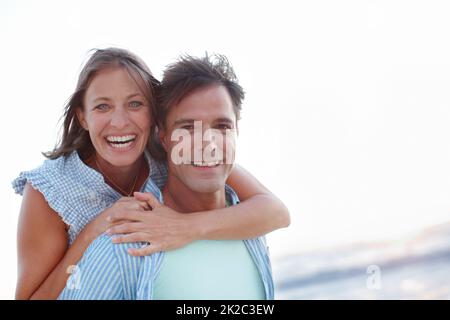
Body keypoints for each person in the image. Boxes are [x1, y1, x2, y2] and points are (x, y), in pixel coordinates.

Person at [12, 48, 289, 299]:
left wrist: (185, 228)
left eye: (135, 104)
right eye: (102, 106)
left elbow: (275, 212)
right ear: (83, 116)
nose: (120, 122)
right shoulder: (51, 188)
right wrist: (93, 231)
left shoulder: (172, 154)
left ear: (155, 119)